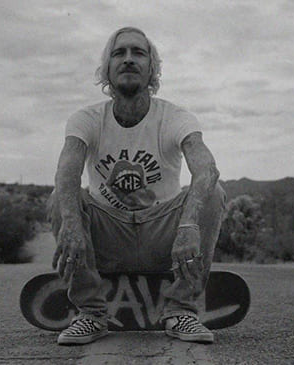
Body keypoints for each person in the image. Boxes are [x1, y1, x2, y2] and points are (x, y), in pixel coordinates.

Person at [49, 26, 227, 345]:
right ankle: (91, 311)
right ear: (107, 68)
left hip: (164, 238)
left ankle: (181, 309)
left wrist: (188, 224)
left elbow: (206, 169)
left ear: (152, 69)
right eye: (119, 53)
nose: (128, 59)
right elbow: (67, 172)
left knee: (213, 192)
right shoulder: (86, 119)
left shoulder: (175, 117)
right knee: (61, 196)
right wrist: (72, 224)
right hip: (108, 238)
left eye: (138, 53)